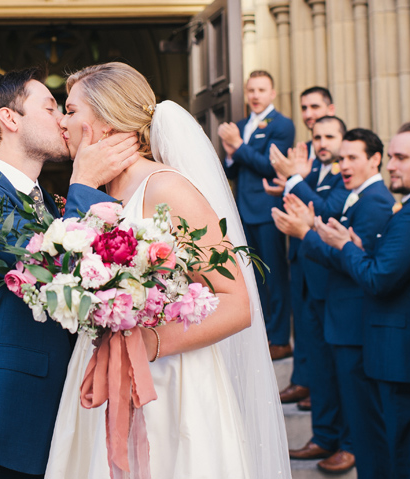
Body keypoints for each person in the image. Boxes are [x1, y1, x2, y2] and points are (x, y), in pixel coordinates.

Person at [47, 63, 290, 479]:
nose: (60, 122)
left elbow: (236, 305)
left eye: (70, 110)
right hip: (101, 370)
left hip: (171, 382)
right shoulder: (96, 192)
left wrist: (150, 342)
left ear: (104, 121)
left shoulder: (167, 188)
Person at [0, 68, 139, 479]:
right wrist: (83, 181)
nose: (64, 120)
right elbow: (52, 268)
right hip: (2, 418)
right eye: (50, 108)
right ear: (10, 119)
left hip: (57, 410)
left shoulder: (46, 199)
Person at [312, 118, 410, 478]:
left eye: (401, 157)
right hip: (402, 352)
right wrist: (355, 248)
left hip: (409, 353)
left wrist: (342, 247)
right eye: (392, 157)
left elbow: (380, 278)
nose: (391, 165)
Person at [272, 128, 393, 478]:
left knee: (364, 414)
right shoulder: (358, 196)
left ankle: (351, 447)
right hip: (339, 313)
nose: (344, 165)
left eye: (353, 158)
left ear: (375, 159)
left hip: (355, 318)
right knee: (347, 397)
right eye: (342, 159)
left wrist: (306, 234)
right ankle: (340, 440)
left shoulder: (374, 202)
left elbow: (353, 262)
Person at [271, 116, 353, 471]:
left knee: (343, 369)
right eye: (317, 136)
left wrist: (294, 179)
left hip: (336, 282)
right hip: (305, 275)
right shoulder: (314, 173)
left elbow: (327, 210)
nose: (322, 142)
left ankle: (349, 443)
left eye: (330, 136)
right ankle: (322, 436)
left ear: (344, 140)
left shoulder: (345, 175)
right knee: (318, 365)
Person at [218, 70, 295, 359]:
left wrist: (238, 146)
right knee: (253, 276)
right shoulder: (239, 125)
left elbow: (271, 167)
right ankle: (260, 335)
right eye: (251, 90)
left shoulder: (282, 125)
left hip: (269, 209)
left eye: (261, 90)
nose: (255, 95)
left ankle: (279, 338)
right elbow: (230, 171)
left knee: (274, 274)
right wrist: (230, 153)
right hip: (243, 209)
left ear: (272, 93)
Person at [271, 87, 337, 410]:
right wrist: (285, 185)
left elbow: (323, 205)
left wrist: (295, 180)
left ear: (331, 108)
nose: (309, 114)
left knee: (322, 330)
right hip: (299, 248)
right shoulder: (305, 149)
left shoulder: (339, 154)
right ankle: (305, 380)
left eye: (315, 106)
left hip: (324, 255)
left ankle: (318, 388)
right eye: (304, 108)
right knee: (305, 323)